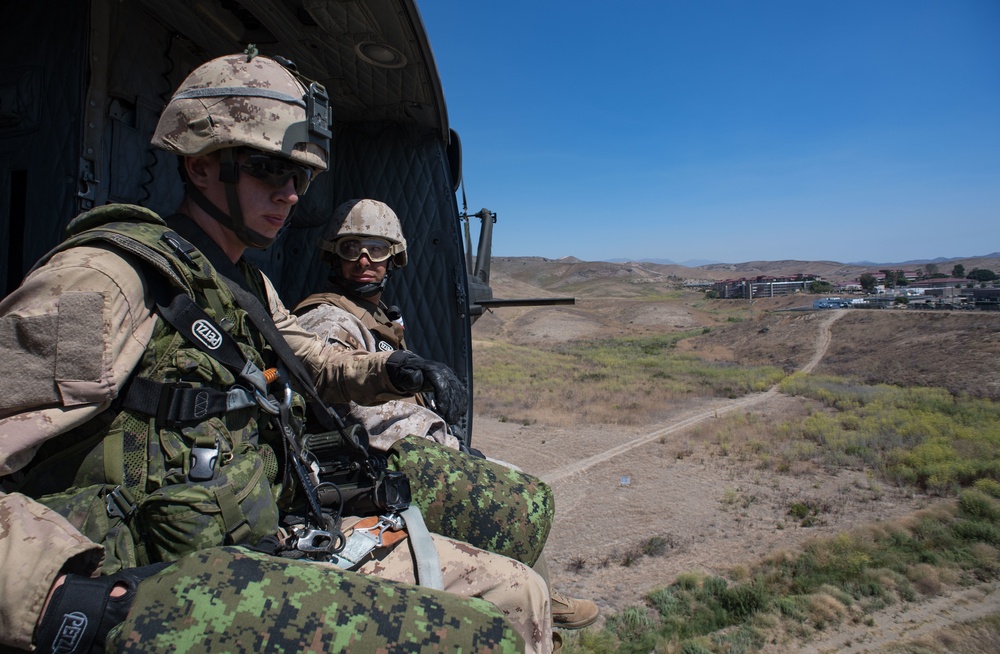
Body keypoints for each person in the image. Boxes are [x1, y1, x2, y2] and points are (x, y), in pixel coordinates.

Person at [0, 52, 554, 653]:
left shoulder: (244, 283)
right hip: (159, 589)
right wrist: (63, 600)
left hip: (266, 535)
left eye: (301, 177)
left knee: (518, 596)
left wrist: (392, 369)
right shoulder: (105, 279)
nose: (290, 195)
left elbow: (313, 360)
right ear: (199, 164)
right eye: (269, 169)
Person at [294, 198, 600, 631]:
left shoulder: (379, 319)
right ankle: (538, 602)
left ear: (393, 258)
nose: (363, 260)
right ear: (333, 255)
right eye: (350, 249)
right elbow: (354, 414)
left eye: (376, 250)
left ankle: (542, 595)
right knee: (508, 498)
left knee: (511, 491)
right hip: (376, 468)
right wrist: (444, 446)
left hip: (409, 455)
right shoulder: (328, 321)